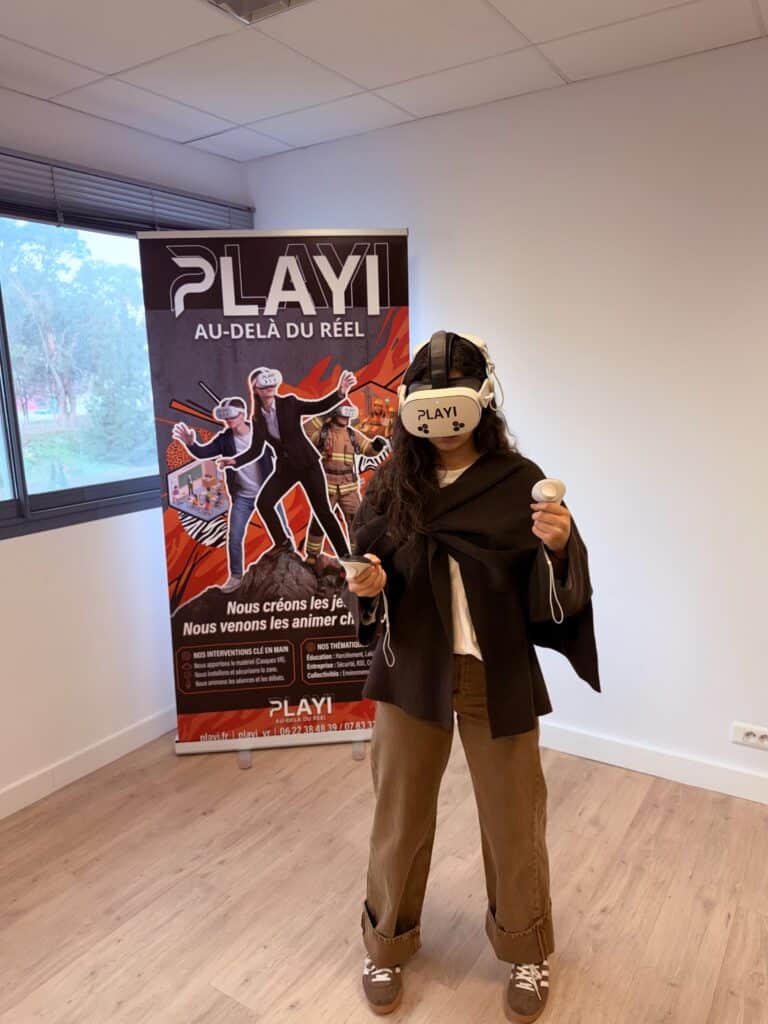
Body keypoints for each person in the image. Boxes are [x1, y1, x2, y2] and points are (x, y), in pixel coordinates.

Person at [342, 332, 599, 1022]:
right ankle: (385, 944)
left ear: (483, 400)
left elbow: (551, 586)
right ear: (410, 408)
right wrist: (368, 586)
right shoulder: (392, 483)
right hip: (412, 668)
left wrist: (559, 546)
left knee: (515, 820)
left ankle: (526, 948)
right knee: (398, 819)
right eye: (429, 406)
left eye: (454, 403)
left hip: (496, 670)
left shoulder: (518, 482)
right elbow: (368, 570)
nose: (444, 423)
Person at [217, 367, 357, 561]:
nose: (269, 386)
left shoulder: (289, 403)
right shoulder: (257, 418)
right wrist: (234, 461)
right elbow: (256, 449)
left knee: (323, 511)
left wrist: (340, 392)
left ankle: (345, 556)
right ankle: (282, 542)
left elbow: (317, 406)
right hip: (286, 468)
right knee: (264, 502)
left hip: (308, 464)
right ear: (255, 389)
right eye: (263, 383)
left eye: (270, 382)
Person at [172, 396, 289, 593]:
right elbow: (203, 453)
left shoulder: (261, 430)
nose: (228, 420)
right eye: (225, 417)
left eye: (232, 415)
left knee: (283, 530)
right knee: (234, 537)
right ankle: (236, 576)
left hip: (268, 493)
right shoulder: (225, 439)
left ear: (242, 414)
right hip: (243, 497)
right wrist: (191, 443)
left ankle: (290, 562)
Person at [303, 404, 389, 567]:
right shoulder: (323, 433)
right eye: (343, 414)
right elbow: (305, 434)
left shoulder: (352, 434)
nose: (346, 418)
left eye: (348, 415)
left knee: (356, 522)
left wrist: (376, 446)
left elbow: (367, 449)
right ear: (335, 414)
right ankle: (312, 555)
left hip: (348, 487)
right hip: (327, 487)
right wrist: (323, 416)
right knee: (319, 522)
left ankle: (358, 555)